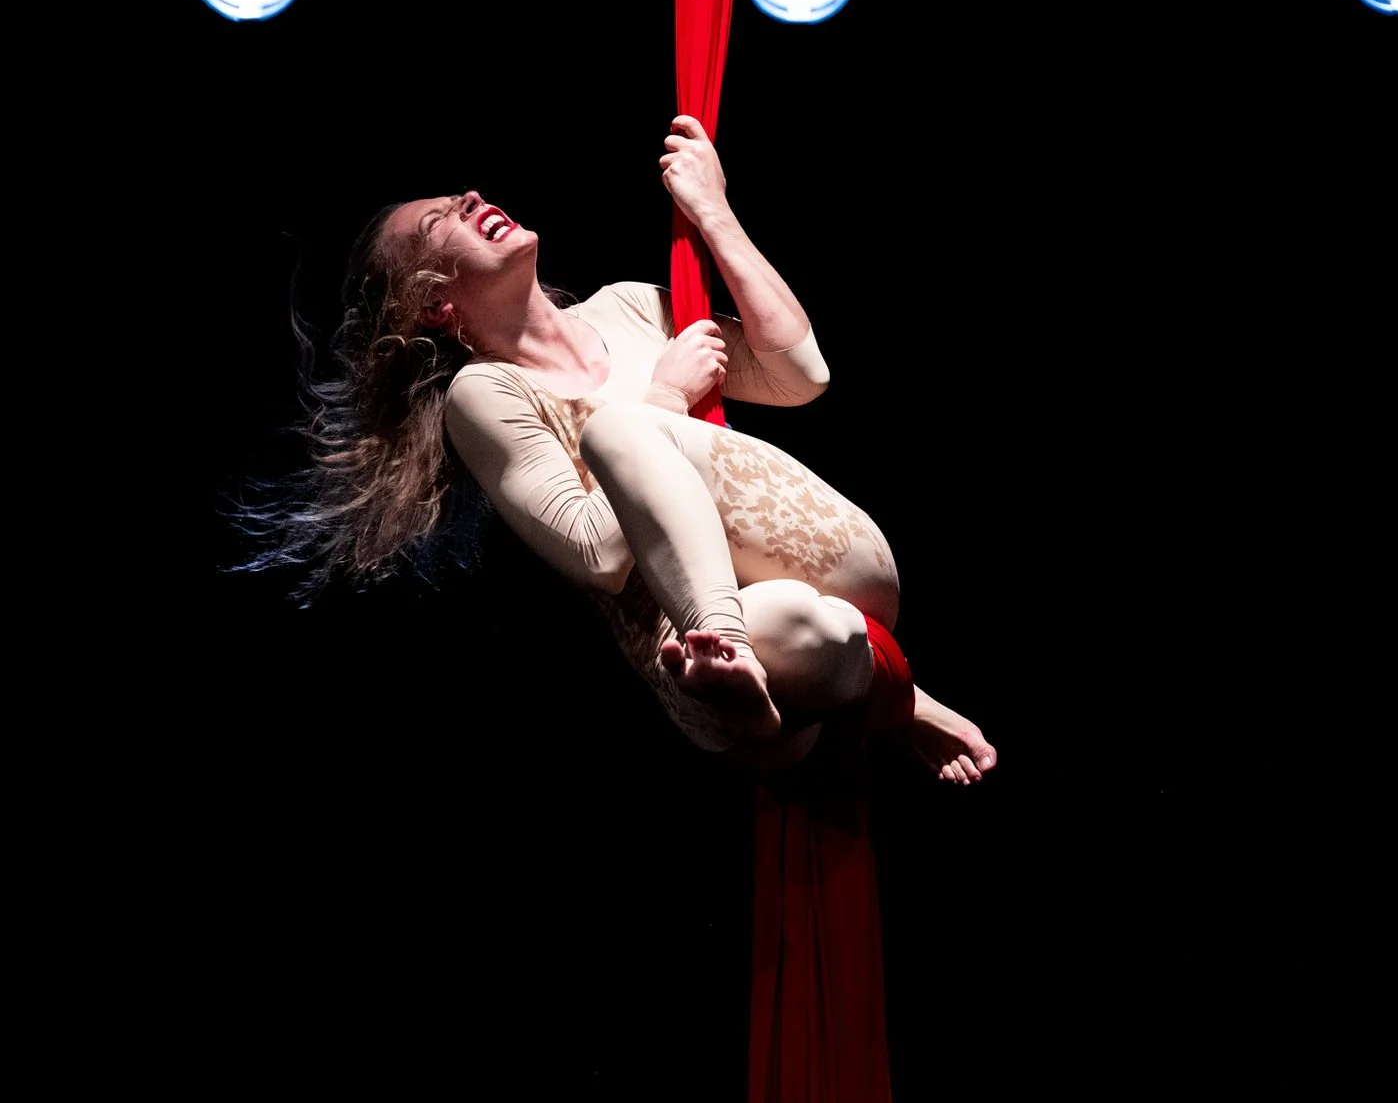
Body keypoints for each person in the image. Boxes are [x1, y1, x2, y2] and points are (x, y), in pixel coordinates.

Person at [232, 114, 996, 782]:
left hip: (822, 558)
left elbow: (801, 375)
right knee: (814, 627)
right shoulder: (487, 395)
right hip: (759, 651)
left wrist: (713, 210)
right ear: (436, 301)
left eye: (461, 196)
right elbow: (598, 554)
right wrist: (664, 395)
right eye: (440, 222)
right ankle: (769, 696)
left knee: (617, 431)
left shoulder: (631, 306)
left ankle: (751, 662)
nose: (470, 198)